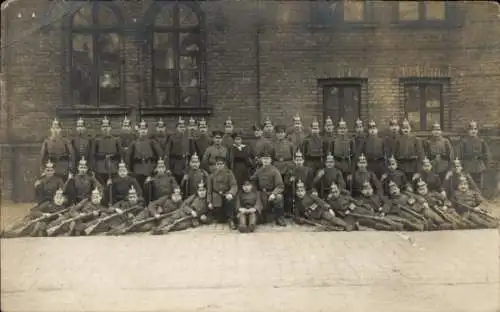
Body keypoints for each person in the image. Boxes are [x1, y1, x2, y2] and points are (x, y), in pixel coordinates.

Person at [112, 187, 185, 234]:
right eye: (175, 195)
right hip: (149, 213)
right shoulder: (165, 199)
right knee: (135, 221)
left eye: (178, 195)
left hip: (158, 220)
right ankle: (121, 228)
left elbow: (177, 213)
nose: (176, 197)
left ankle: (128, 230)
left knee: (145, 227)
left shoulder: (181, 204)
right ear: (171, 195)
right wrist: (155, 213)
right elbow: (151, 205)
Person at [1, 188, 70, 238]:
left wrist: (59, 216)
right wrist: (44, 214)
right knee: (17, 230)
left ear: (64, 199)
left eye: (61, 198)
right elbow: (33, 211)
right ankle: (5, 232)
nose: (59, 199)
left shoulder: (63, 209)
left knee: (21, 233)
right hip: (31, 219)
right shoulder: (47, 204)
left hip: (39, 223)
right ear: (54, 198)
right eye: (57, 197)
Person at [250, 152, 286, 226]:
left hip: (271, 193)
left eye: (267, 159)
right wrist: (255, 190)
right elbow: (252, 180)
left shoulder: (275, 171)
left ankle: (279, 218)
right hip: (262, 193)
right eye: (264, 159)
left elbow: (280, 186)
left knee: (279, 197)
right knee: (263, 218)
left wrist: (273, 194)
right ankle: (261, 216)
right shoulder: (259, 170)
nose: (265, 161)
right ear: (261, 160)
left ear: (270, 160)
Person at [126, 119, 163, 194]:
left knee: (149, 189)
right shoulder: (134, 143)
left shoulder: (152, 142)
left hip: (150, 168)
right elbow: (128, 157)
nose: (143, 131)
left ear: (147, 130)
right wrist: (129, 170)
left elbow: (160, 154)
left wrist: (157, 167)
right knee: (139, 188)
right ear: (138, 130)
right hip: (137, 169)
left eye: (145, 129)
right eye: (141, 129)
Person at [459, 120, 491, 190]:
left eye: (475, 129)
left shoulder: (482, 141)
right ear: (468, 131)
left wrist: (485, 165)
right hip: (468, 167)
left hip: (479, 167)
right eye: (471, 129)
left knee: (479, 185)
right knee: (468, 184)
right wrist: (461, 167)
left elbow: (486, 154)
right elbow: (460, 155)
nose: (473, 131)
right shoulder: (464, 142)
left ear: (477, 130)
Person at [207, 155, 238, 227]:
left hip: (226, 194)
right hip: (216, 196)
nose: (220, 166)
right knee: (220, 219)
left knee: (230, 202)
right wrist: (209, 202)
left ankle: (231, 219)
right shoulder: (212, 175)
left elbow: (234, 185)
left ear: (224, 164)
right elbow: (209, 190)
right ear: (215, 165)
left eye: (221, 164)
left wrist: (231, 193)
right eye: (218, 164)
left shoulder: (229, 173)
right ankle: (221, 217)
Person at [92, 116, 122, 185]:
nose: (105, 128)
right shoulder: (97, 140)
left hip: (113, 167)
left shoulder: (116, 140)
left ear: (110, 128)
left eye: (107, 126)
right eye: (103, 126)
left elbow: (120, 155)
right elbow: (93, 155)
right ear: (101, 128)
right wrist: (94, 169)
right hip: (100, 168)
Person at [165, 117, 191, 184]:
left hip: (184, 163)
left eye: (183, 127)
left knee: (184, 183)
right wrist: (167, 168)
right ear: (177, 128)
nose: (182, 128)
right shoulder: (171, 138)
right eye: (180, 127)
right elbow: (167, 153)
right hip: (174, 164)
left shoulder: (187, 138)